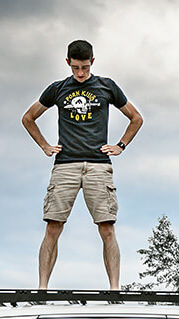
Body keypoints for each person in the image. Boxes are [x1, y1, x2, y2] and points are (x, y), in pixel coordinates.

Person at [21, 39, 143, 290]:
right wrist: (45, 146)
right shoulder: (57, 89)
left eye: (85, 68)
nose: (80, 73)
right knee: (53, 227)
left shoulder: (106, 87)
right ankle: (42, 289)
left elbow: (136, 118)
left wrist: (121, 145)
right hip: (65, 164)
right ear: (68, 63)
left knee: (107, 228)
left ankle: (114, 289)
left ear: (92, 62)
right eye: (76, 67)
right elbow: (28, 118)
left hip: (98, 164)